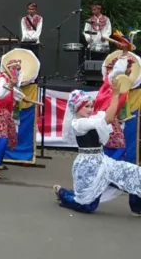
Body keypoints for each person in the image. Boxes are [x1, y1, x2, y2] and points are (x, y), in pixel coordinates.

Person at [54, 85, 141, 216]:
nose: (90, 109)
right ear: (77, 108)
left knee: (135, 174)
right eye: (86, 106)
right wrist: (116, 96)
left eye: (91, 106)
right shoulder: (78, 123)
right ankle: (62, 192)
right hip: (88, 167)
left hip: (103, 161)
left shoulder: (93, 119)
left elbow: (106, 120)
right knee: (87, 206)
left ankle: (137, 207)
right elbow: (107, 118)